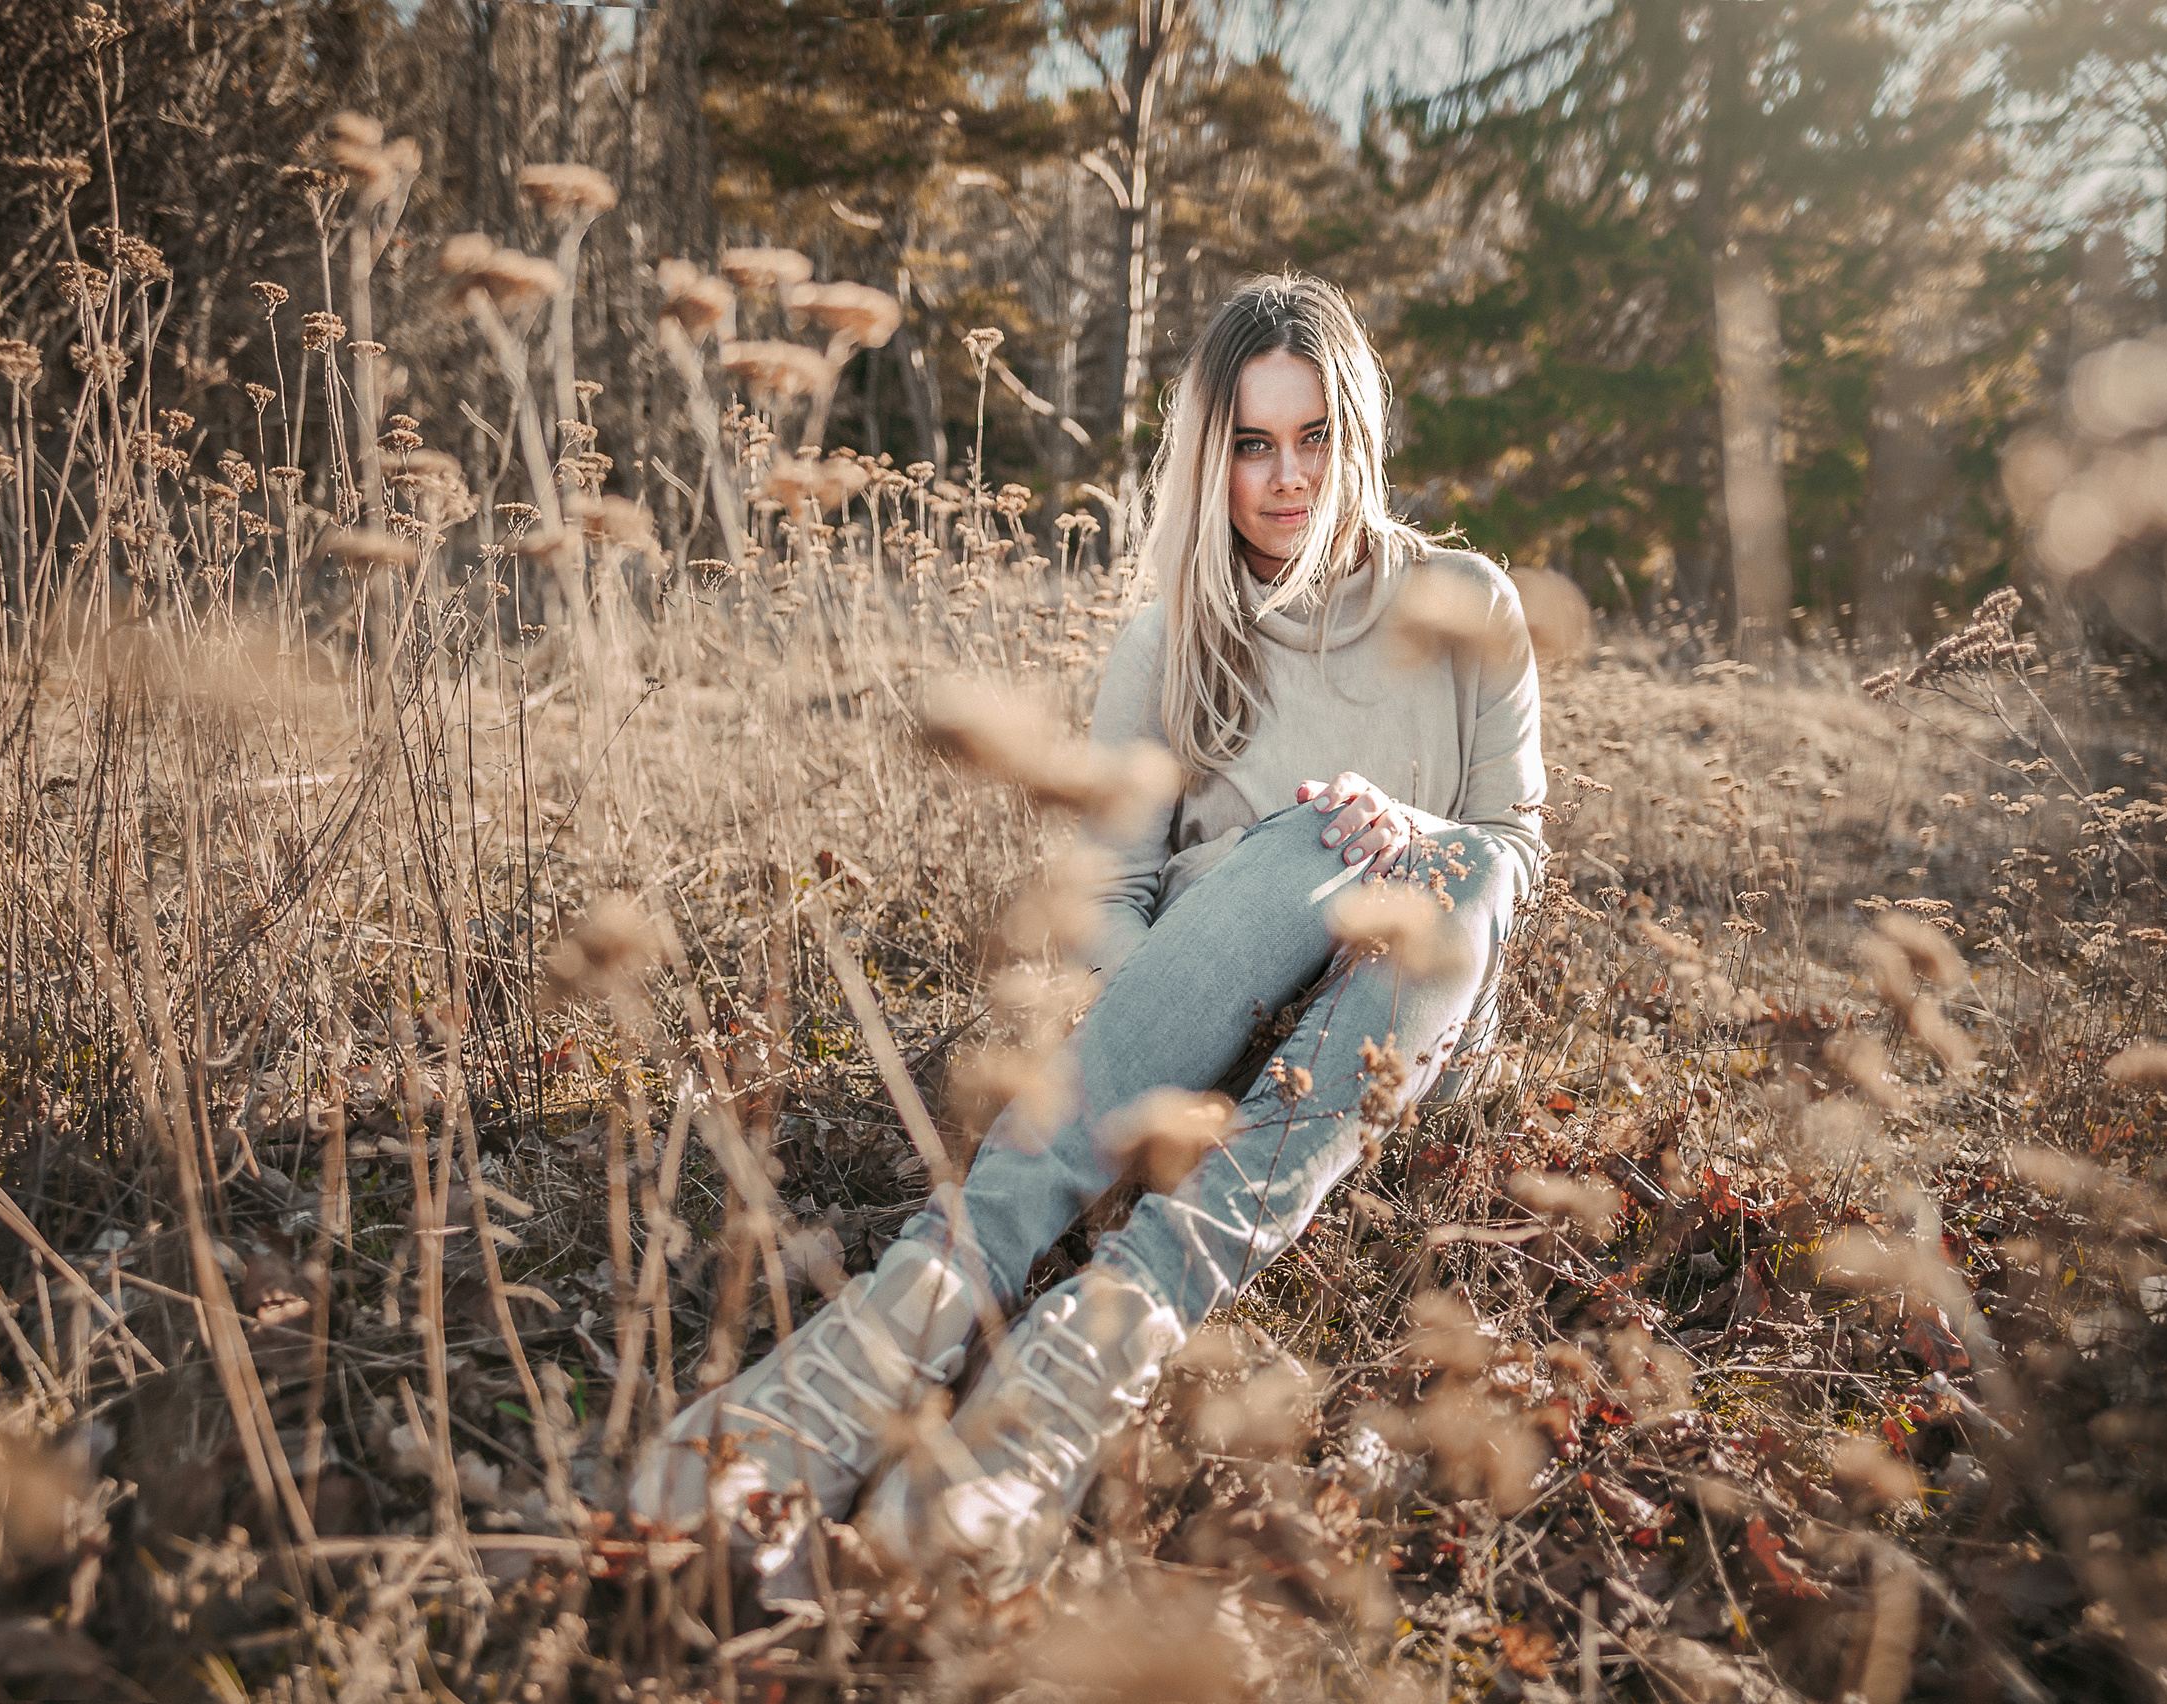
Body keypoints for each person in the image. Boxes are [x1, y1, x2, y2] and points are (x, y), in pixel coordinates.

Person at [629, 273, 1545, 1604]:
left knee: (1450, 859)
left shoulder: (1467, 601)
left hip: (1399, 1036)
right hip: (1189, 1032)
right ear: (1209, 456)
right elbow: (1111, 897)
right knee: (1309, 837)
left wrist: (1407, 831)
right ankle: (900, 1321)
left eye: (1315, 437)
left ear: (1360, 432)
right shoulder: (1172, 637)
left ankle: (1104, 1332)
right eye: (1251, 444)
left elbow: (1517, 850)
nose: (1288, 477)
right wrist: (1150, 1024)